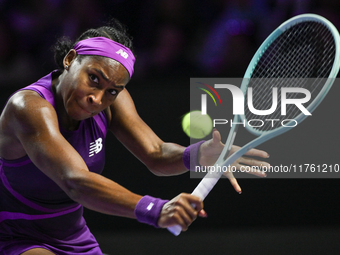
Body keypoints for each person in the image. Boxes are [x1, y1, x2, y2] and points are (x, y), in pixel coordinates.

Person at [0, 19, 269, 255]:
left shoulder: (111, 99)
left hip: (72, 235)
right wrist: (157, 210)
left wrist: (195, 155)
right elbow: (75, 182)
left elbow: (156, 154)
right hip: (13, 234)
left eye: (112, 91)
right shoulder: (29, 107)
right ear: (70, 60)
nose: (97, 98)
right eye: (93, 78)